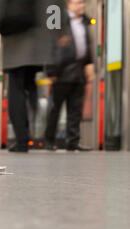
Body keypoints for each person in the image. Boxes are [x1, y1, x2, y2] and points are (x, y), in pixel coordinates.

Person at [0, 0, 61, 152]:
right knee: (31, 85)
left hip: (17, 40)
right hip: (40, 41)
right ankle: (34, 127)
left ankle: (22, 138)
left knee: (16, 89)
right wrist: (60, 30)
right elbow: (56, 5)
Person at [45, 0, 95, 151]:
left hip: (79, 71)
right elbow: (50, 45)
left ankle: (73, 141)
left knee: (75, 109)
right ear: (69, 5)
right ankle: (49, 141)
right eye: (78, 3)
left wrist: (89, 65)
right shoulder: (57, 20)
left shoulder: (85, 22)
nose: (82, 6)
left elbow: (86, 46)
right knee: (55, 108)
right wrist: (51, 70)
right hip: (61, 72)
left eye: (83, 3)